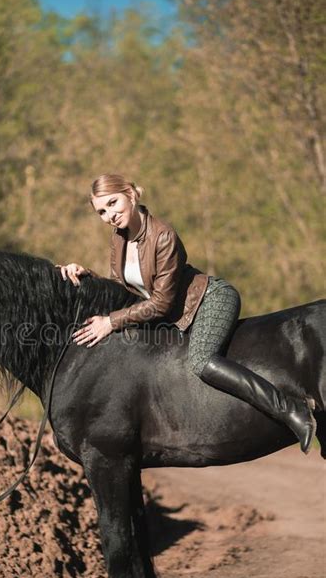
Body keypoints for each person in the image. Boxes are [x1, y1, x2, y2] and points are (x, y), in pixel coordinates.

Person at [55, 173, 316, 454]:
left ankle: (291, 410)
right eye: (102, 211)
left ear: (130, 194)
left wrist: (111, 322)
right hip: (175, 316)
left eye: (112, 203)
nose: (109, 215)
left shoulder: (163, 235)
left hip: (210, 301)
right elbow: (122, 289)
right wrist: (87, 276)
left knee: (201, 361)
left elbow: (161, 303)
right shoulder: (119, 238)